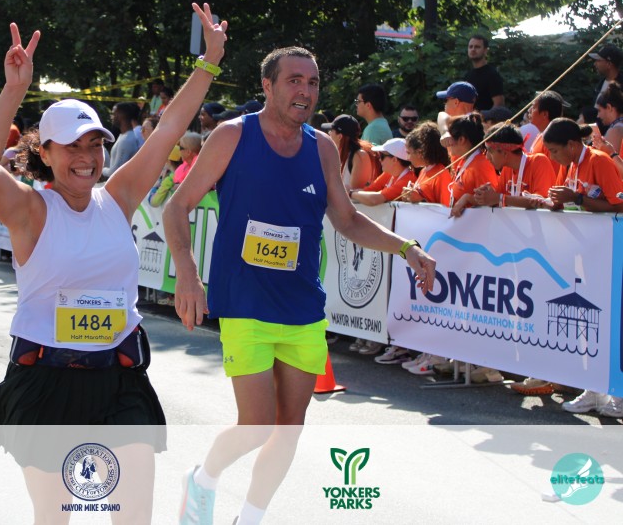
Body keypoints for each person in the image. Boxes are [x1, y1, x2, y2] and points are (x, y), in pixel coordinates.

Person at [0, 4, 228, 525]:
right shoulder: (29, 210)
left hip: (119, 380)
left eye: (95, 144)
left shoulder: (119, 197)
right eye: (71, 147)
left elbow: (169, 128)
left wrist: (210, 61)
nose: (86, 157)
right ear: (45, 153)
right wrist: (14, 90)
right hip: (46, 381)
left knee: (133, 516)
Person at [162, 45, 436, 525]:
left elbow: (348, 220)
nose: (305, 91)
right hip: (244, 303)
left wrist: (406, 248)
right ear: (267, 86)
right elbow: (176, 206)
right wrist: (187, 272)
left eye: (312, 82)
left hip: (302, 309)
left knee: (288, 431)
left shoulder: (322, 147)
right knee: (256, 426)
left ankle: (250, 518)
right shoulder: (232, 136)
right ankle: (203, 478)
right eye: (294, 81)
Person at [536, 118, 623, 419]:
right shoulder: (570, 165)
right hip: (585, 255)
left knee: (611, 323)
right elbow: (567, 202)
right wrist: (553, 203)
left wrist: (576, 198)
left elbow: (619, 206)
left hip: (610, 254)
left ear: (572, 145)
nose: (552, 156)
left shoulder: (598, 161)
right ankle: (593, 389)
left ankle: (618, 393)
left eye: (554, 150)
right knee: (588, 323)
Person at [473, 124, 556, 210]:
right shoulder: (506, 169)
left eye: (490, 151)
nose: (487, 157)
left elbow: (540, 202)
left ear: (504, 153)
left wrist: (499, 198)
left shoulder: (539, 161)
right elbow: (498, 201)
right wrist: (485, 196)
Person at [447, 114, 501, 218]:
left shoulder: (481, 165)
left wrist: (468, 198)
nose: (448, 143)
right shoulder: (463, 160)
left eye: (450, 138)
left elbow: (491, 203)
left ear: (461, 140)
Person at [349, 138, 416, 206]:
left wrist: (350, 193)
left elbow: (374, 200)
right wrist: (353, 193)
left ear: (394, 160)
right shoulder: (389, 173)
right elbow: (367, 191)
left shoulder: (408, 180)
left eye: (382, 156)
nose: (379, 160)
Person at [400, 122, 452, 206]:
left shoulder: (441, 174)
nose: (408, 158)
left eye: (409, 153)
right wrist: (409, 195)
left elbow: (446, 209)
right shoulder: (423, 171)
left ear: (420, 152)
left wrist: (421, 200)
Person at [322, 114, 374, 191]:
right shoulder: (336, 154)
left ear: (340, 136)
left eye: (331, 130)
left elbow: (355, 192)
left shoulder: (360, 156)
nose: (329, 133)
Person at [464, 34, 505, 110]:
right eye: (470, 47)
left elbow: (499, 105)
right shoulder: (468, 75)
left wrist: (485, 116)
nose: (473, 49)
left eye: (477, 47)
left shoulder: (492, 75)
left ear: (485, 51)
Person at [103, 101, 143, 178]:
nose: (111, 117)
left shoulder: (127, 140)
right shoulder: (124, 136)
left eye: (113, 114)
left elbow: (115, 172)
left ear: (120, 116)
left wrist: (101, 170)